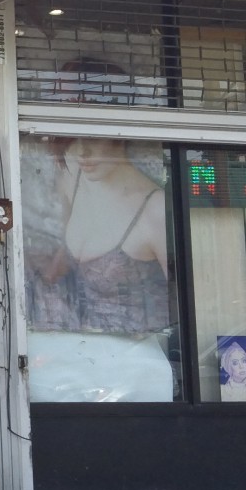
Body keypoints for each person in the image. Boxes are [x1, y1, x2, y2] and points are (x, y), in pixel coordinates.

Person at [26, 135, 172, 401]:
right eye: (74, 141)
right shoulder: (74, 180)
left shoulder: (155, 209)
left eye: (93, 139)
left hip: (135, 368)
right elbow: (65, 258)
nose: (82, 152)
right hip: (75, 361)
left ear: (119, 138)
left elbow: (185, 299)